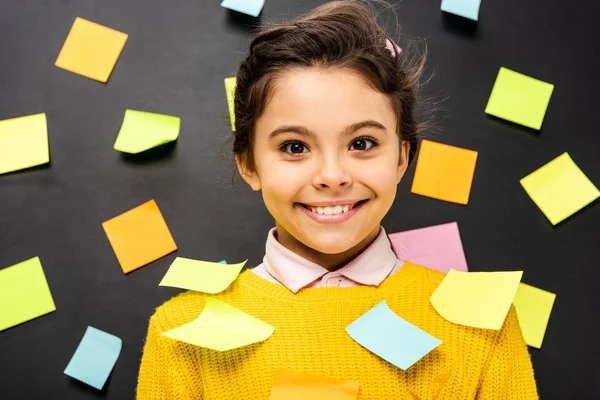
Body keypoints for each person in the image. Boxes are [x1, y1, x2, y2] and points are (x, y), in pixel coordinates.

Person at [137, 1, 538, 398]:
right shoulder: (181, 331)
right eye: (294, 147)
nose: (332, 177)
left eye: (362, 143)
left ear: (402, 157)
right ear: (248, 165)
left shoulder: (486, 325)